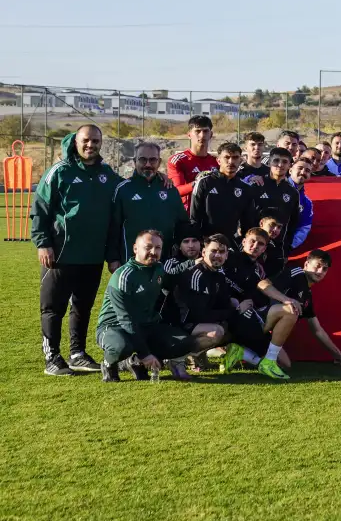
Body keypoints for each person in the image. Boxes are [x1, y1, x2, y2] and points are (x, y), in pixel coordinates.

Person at [31, 126, 121, 375]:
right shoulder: (59, 172)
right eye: (86, 140)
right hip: (60, 253)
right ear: (76, 142)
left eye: (95, 141)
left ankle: (77, 353)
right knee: (53, 307)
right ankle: (52, 358)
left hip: (92, 255)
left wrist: (159, 178)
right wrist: (43, 243)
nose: (90, 145)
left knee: (82, 306)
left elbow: (127, 189)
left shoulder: (106, 174)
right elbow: (40, 208)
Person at [96, 230, 224, 382]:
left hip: (147, 325)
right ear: (135, 248)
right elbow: (125, 319)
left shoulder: (158, 269)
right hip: (115, 326)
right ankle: (109, 364)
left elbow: (171, 278)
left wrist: (193, 263)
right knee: (121, 347)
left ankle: (135, 362)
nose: (153, 252)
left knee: (185, 343)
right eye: (148, 247)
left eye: (158, 248)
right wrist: (146, 353)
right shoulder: (124, 276)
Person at [222, 249, 341, 379]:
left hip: (260, 328)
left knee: (285, 364)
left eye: (325, 269)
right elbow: (262, 284)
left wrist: (338, 355)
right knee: (291, 310)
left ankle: (241, 352)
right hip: (248, 318)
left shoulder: (307, 297)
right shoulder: (297, 273)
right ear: (306, 264)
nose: (320, 271)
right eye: (317, 266)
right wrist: (287, 299)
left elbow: (317, 331)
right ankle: (268, 362)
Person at [162, 233, 237, 379]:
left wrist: (232, 309)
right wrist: (229, 313)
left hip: (197, 319)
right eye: (213, 251)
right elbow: (197, 314)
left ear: (227, 255)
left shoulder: (218, 276)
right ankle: (176, 358)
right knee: (216, 332)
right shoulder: (197, 274)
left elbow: (222, 304)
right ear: (203, 253)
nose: (217, 256)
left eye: (221, 252)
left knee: (229, 327)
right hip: (179, 322)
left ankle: (197, 357)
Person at [107, 142, 189, 267]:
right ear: (135, 161)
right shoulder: (123, 189)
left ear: (159, 162)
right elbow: (113, 227)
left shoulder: (170, 189)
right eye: (143, 160)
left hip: (165, 262)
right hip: (131, 262)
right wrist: (113, 258)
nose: (148, 164)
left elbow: (182, 223)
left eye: (153, 160)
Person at [190, 142, 256, 241]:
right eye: (227, 157)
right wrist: (198, 241)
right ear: (218, 160)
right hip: (206, 241)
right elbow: (194, 217)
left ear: (240, 160)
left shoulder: (245, 188)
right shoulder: (205, 182)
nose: (231, 161)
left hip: (231, 242)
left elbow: (247, 223)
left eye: (235, 157)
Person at [253, 148, 301, 271]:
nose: (280, 165)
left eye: (285, 162)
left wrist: (286, 250)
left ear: (290, 165)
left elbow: (292, 224)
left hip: (277, 250)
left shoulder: (292, 192)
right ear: (269, 162)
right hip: (253, 246)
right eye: (276, 161)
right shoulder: (256, 184)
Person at [167, 115, 219, 209]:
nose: (202, 135)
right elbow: (176, 191)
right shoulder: (178, 160)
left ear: (211, 134)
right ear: (189, 135)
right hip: (188, 217)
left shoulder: (217, 162)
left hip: (211, 217)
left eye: (205, 131)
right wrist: (199, 183)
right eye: (197, 131)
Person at [288, 156, 314, 249]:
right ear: (290, 170)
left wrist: (288, 246)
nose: (303, 172)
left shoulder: (307, 203)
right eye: (300, 168)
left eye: (307, 170)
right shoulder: (274, 189)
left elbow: (304, 228)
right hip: (260, 245)